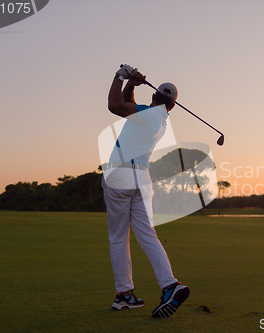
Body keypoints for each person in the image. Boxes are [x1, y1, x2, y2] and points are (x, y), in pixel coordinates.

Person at [103, 64, 189, 318]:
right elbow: (129, 105)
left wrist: (120, 77)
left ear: (154, 97)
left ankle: (124, 293)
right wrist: (133, 84)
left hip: (120, 175)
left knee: (119, 237)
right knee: (147, 235)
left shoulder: (146, 113)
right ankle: (170, 285)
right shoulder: (158, 119)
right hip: (141, 178)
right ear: (171, 105)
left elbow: (116, 106)